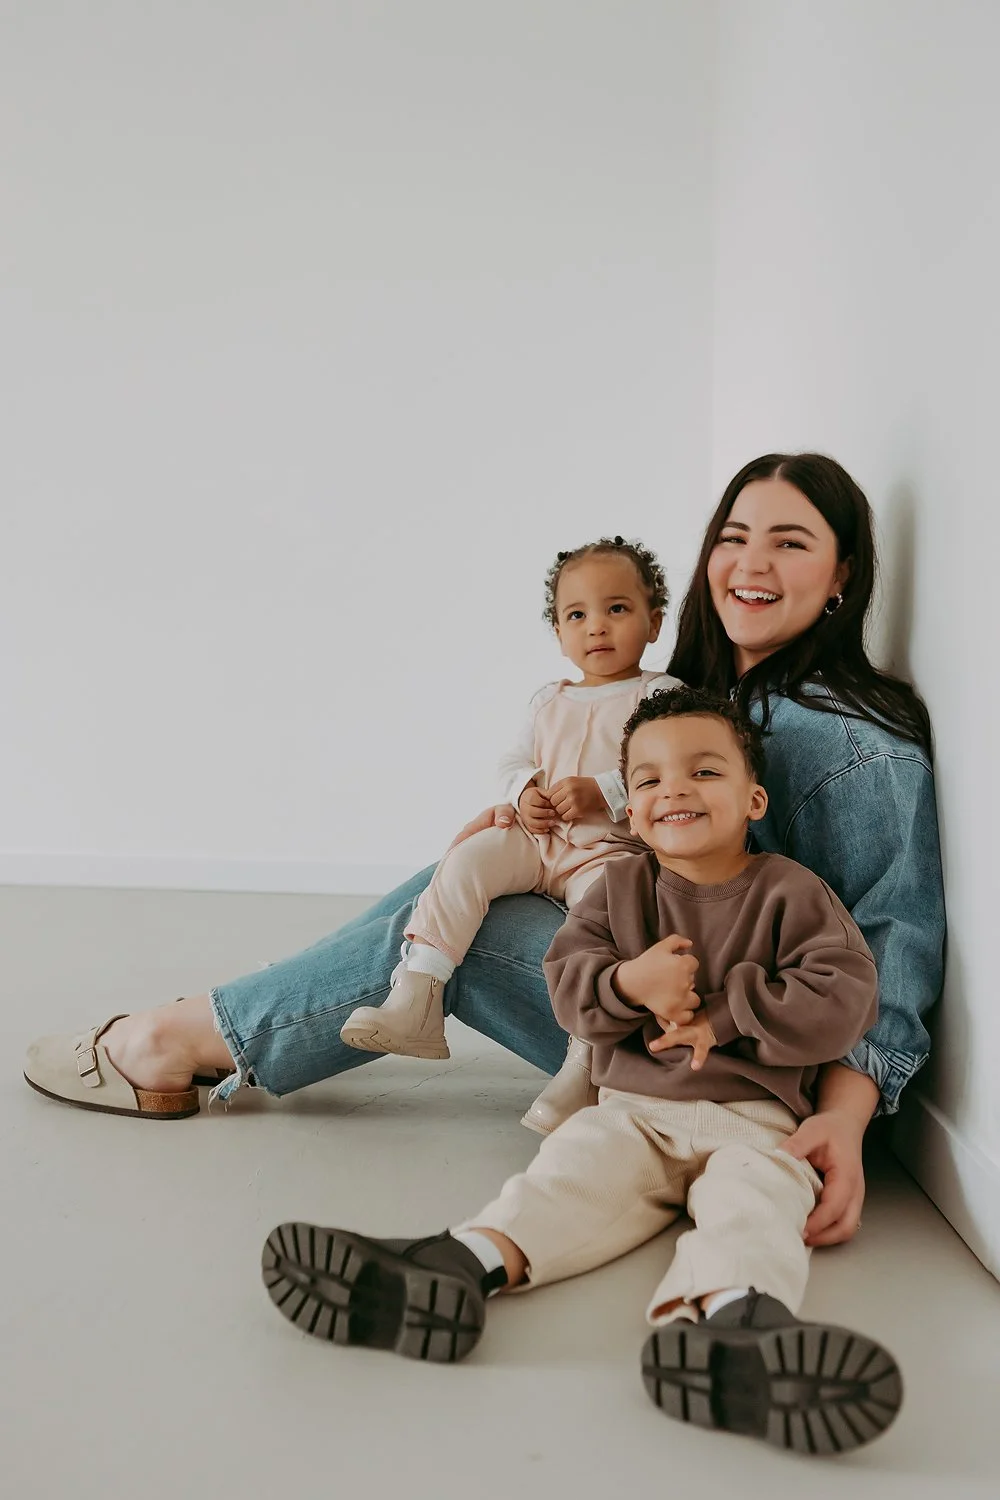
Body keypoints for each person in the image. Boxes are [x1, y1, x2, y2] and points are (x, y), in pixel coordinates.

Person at [22, 451, 944, 1263]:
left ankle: (180, 1040)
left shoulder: (850, 743)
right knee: (477, 868)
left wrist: (842, 1121)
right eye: (734, 537)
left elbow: (888, 949)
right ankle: (242, 1014)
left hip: (736, 1057)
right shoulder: (701, 696)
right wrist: (527, 814)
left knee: (470, 913)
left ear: (841, 577)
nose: (750, 564)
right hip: (645, 998)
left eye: (790, 542)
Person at [261, 687, 901, 1455]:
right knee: (571, 1175)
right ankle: (460, 1265)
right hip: (632, 1106)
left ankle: (735, 1324)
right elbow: (571, 990)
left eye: (704, 771)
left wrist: (726, 1011)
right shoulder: (619, 890)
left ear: (752, 797)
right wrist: (630, 986)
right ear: (630, 810)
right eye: (652, 779)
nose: (676, 791)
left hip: (758, 1119)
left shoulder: (793, 893)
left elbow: (846, 998)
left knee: (757, 1204)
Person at [340, 534, 677, 1135]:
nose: (597, 627)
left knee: (602, 923)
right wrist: (523, 791)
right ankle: (418, 993)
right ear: (558, 632)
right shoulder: (548, 699)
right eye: (577, 614)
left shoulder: (660, 695)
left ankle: (586, 1062)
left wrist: (608, 790)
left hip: (607, 850)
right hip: (537, 838)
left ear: (653, 621)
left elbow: (666, 769)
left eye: (617, 609)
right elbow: (513, 761)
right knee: (469, 861)